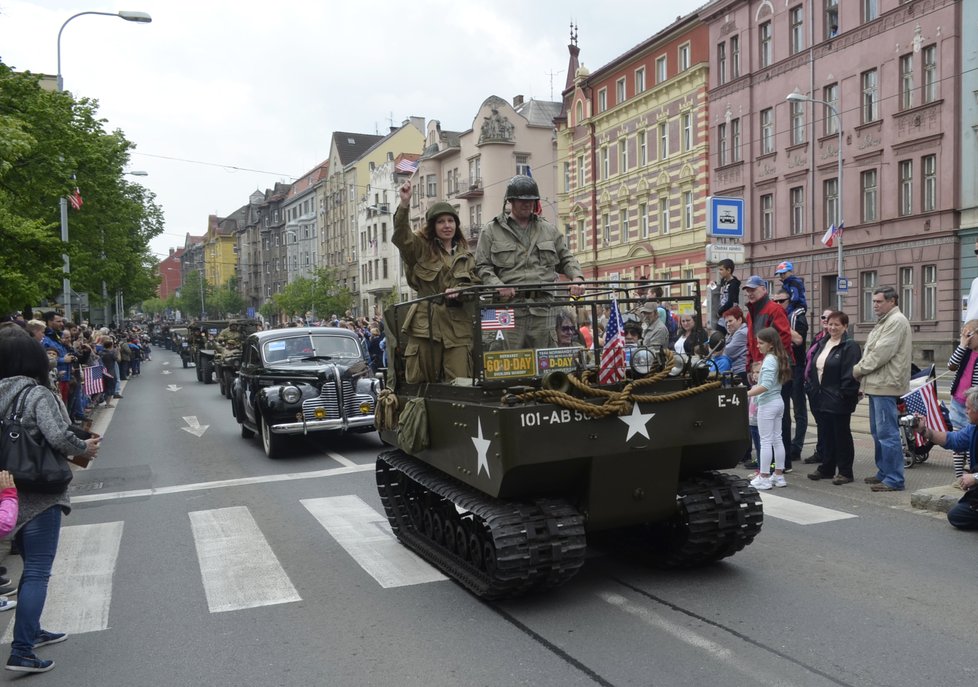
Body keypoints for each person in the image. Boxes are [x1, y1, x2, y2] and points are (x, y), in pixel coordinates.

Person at [0, 328, 100, 674]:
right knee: (39, 571)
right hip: (39, 492)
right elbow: (58, 435)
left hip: (7, 493)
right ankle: (23, 650)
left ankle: (32, 630)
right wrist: (84, 448)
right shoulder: (37, 394)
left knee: (30, 566)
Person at [475, 174, 585, 349]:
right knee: (506, 362)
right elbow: (482, 266)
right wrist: (498, 285)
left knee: (546, 363)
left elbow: (566, 257)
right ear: (510, 201)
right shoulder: (491, 231)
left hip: (543, 308)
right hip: (508, 308)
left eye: (531, 200)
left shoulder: (548, 230)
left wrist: (577, 278)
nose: (527, 204)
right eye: (521, 200)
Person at [393, 180, 480, 383]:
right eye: (441, 222)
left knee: (461, 384)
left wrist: (461, 290)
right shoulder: (421, 248)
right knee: (422, 386)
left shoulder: (466, 256)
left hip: (458, 328)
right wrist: (404, 204)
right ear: (433, 226)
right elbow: (401, 237)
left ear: (456, 225)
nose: (447, 226)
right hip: (426, 326)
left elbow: (476, 286)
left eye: (451, 221)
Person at [853, 286, 912, 492]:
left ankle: (894, 478)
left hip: (886, 385)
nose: (875, 305)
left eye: (879, 301)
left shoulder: (896, 321)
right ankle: (884, 472)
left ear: (892, 301)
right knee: (878, 432)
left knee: (887, 434)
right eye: (874, 301)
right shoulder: (886, 321)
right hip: (878, 384)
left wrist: (858, 370)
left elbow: (880, 354)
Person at [742, 275, 795, 470]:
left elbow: (784, 338)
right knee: (760, 417)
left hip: (772, 368)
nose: (749, 293)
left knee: (776, 421)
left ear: (764, 290)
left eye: (753, 290)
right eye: (747, 290)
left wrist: (765, 364)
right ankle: (768, 460)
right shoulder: (751, 313)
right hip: (759, 368)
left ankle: (781, 462)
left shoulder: (774, 309)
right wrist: (750, 365)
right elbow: (751, 342)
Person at [805, 311, 861, 485]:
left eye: (837, 324)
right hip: (820, 397)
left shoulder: (849, 346)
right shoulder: (823, 342)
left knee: (841, 435)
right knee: (826, 434)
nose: (833, 327)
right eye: (830, 324)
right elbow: (814, 367)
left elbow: (850, 373)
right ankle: (827, 468)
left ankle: (845, 471)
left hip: (839, 398)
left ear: (845, 327)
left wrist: (844, 394)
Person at [913, 387, 978, 530]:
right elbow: (952, 440)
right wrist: (925, 431)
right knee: (957, 515)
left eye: (968, 408)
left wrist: (975, 477)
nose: (965, 411)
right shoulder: (973, 429)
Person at [747, 327, 793, 490]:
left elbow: (765, 385)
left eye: (761, 343)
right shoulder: (779, 357)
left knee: (766, 440)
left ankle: (764, 477)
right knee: (776, 439)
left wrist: (747, 393)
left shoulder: (768, 360)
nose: (758, 346)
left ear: (770, 344)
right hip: (778, 401)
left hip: (767, 403)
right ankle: (778, 475)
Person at [774, 287, 809, 466]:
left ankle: (796, 447)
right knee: (783, 409)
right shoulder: (783, 315)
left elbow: (798, 339)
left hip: (797, 366)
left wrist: (781, 326)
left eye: (782, 301)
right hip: (785, 366)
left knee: (799, 409)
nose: (779, 304)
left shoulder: (796, 316)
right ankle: (787, 448)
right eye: (776, 301)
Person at [946, 320, 978, 481]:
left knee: (972, 439)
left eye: (969, 335)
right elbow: (951, 365)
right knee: (957, 441)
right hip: (958, 401)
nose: (966, 338)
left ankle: (972, 476)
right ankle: (959, 478)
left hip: (974, 404)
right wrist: (962, 345)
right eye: (963, 334)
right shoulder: (964, 351)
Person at [802, 308, 835, 465]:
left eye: (828, 318)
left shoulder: (832, 340)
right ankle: (821, 451)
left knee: (825, 422)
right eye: (823, 317)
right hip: (811, 384)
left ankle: (825, 453)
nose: (824, 320)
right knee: (819, 421)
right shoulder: (818, 337)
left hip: (823, 387)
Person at [714, 259, 741, 334]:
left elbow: (731, 302)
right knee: (718, 334)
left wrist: (719, 312)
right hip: (723, 315)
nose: (719, 272)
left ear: (728, 270)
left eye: (721, 269)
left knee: (723, 334)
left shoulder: (733, 284)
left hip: (730, 314)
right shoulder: (723, 281)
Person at [723, 305, 748, 384]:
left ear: (739, 320)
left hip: (741, 373)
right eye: (726, 322)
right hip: (737, 371)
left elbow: (727, 352)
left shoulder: (741, 333)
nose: (728, 324)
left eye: (730, 321)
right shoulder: (733, 333)